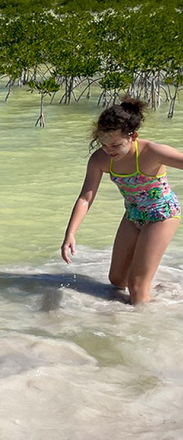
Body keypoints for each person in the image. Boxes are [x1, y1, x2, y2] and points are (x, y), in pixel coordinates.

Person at [61, 98, 183, 304]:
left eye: (116, 144)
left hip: (162, 215)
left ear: (133, 136)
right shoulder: (99, 159)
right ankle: (159, 289)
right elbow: (85, 196)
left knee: (136, 288)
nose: (109, 150)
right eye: (104, 144)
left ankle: (143, 329)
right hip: (133, 214)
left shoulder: (152, 152)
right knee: (117, 280)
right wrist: (70, 233)